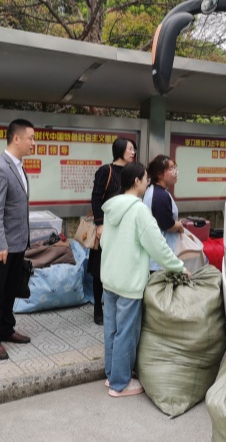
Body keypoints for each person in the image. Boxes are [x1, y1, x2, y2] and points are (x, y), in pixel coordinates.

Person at [100, 162, 189, 397]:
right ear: (136, 181)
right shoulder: (139, 210)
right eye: (145, 179)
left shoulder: (111, 208)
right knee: (126, 332)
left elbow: (103, 242)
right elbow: (157, 246)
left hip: (109, 277)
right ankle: (120, 384)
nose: (147, 183)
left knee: (111, 329)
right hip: (129, 281)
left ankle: (111, 375)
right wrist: (179, 267)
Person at [0, 118, 35, 360]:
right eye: (30, 138)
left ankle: (5, 328)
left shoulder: (19, 166)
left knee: (10, 289)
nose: (33, 143)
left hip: (17, 243)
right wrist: (0, 244)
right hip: (1, 245)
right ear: (16, 138)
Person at [87, 137, 136, 325]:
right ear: (120, 150)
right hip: (106, 228)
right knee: (100, 269)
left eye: (134, 149)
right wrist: (100, 224)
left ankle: (114, 306)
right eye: (130, 149)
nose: (133, 152)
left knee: (119, 266)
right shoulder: (106, 171)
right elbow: (96, 198)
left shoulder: (132, 173)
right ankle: (98, 309)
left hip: (124, 229)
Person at [143, 154, 185, 271]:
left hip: (157, 256)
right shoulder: (160, 195)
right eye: (171, 168)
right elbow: (167, 225)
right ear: (159, 174)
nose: (175, 172)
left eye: (175, 167)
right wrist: (180, 226)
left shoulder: (154, 191)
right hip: (160, 261)